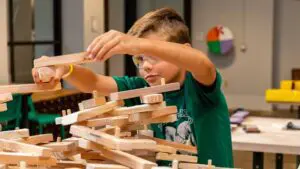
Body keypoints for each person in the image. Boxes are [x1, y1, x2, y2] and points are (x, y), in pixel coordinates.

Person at [32, 7, 233, 167]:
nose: (145, 66)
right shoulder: (141, 88)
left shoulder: (200, 87)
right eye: (139, 59)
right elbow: (94, 82)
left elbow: (202, 64)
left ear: (182, 50)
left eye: (154, 57)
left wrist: (139, 45)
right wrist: (65, 68)